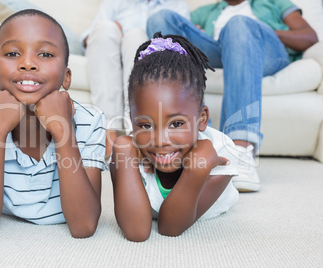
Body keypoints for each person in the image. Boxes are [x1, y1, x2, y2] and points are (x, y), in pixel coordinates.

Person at [0, 9, 106, 237]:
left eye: (45, 54)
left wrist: (62, 129)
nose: (27, 63)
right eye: (13, 53)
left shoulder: (91, 121)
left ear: (67, 77)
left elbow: (83, 225)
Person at [146, 0, 318, 192]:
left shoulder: (273, 3)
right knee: (161, 18)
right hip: (221, 53)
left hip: (266, 54)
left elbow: (309, 36)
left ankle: (240, 149)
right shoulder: (206, 12)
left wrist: (261, 32)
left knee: (239, 25)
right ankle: (203, 145)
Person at [110, 33, 239, 242]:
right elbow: (137, 232)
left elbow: (170, 227)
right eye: (144, 125)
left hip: (199, 209)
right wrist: (124, 154)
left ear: (202, 118)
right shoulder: (127, 151)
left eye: (177, 124)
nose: (160, 140)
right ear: (131, 121)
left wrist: (198, 168)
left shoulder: (221, 154)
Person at [81, 0, 191, 157]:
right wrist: (116, 33)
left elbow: (181, 48)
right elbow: (89, 37)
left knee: (136, 36)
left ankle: (135, 131)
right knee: (104, 28)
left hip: (144, 56)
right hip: (110, 51)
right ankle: (108, 132)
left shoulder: (177, 5)